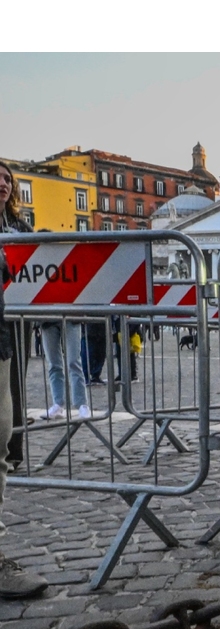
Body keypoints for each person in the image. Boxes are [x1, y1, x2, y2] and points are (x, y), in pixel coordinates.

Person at [0, 160, 47, 599]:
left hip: (5, 336)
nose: (2, 182)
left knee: (1, 435)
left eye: (7, 178)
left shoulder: (17, 224)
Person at [40, 319, 90, 420]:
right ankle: (58, 404)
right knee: (54, 364)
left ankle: (82, 404)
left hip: (70, 317)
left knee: (73, 362)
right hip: (47, 319)